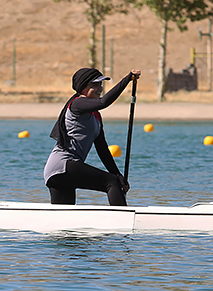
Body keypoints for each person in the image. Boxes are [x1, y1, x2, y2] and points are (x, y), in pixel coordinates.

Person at [43, 67, 140, 206]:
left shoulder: (96, 116)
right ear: (82, 87)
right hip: (63, 164)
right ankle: (122, 220)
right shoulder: (77, 103)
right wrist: (127, 79)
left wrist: (118, 175)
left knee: (63, 220)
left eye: (101, 84)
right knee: (110, 182)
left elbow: (102, 149)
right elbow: (104, 102)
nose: (100, 88)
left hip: (62, 170)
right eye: (94, 85)